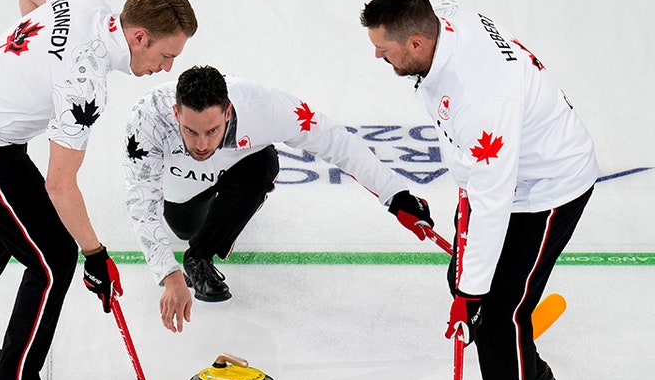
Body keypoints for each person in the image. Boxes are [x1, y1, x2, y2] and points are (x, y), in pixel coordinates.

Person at [0, 0, 197, 380]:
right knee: (53, 258)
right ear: (139, 36)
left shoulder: (85, 1)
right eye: (166, 55)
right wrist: (95, 254)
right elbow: (60, 186)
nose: (167, 69)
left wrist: (31, 69)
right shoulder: (83, 85)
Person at [361, 0, 597, 380]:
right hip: (500, 178)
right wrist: (465, 283)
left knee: (496, 313)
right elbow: (483, 186)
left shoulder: (481, 96)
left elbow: (494, 200)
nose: (378, 57)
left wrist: (472, 293)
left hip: (545, 191)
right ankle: (525, 376)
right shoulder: (441, 19)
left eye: (384, 50)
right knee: (473, 292)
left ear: (417, 44)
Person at [123, 64, 434, 333]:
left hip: (235, 165)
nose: (202, 143)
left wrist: (394, 193)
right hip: (182, 183)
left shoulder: (266, 107)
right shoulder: (148, 118)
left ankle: (200, 257)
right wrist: (167, 274)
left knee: (265, 163)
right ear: (176, 113)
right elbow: (142, 199)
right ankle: (199, 228)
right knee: (184, 228)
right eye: (190, 131)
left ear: (228, 111)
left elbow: (335, 142)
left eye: (213, 130)